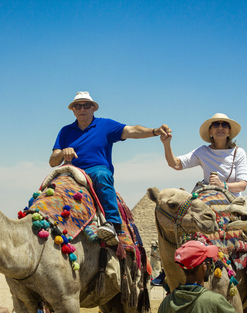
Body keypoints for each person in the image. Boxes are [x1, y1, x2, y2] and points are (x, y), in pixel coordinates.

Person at [49, 91, 171, 246]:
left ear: (93, 108)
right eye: (78, 106)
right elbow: (53, 161)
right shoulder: (65, 131)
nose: (82, 109)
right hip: (72, 172)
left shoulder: (105, 125)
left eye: (86, 105)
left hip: (96, 170)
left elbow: (132, 131)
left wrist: (154, 131)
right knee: (51, 186)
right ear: (73, 110)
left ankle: (113, 224)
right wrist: (62, 152)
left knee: (101, 175)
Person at [161, 113, 247, 196]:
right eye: (216, 125)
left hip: (233, 201)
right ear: (210, 131)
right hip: (208, 198)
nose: (220, 127)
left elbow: (242, 185)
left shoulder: (238, 153)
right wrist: (166, 144)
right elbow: (175, 164)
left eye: (224, 125)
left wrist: (222, 185)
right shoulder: (203, 152)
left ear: (229, 131)